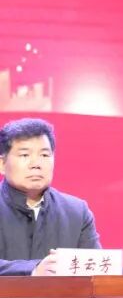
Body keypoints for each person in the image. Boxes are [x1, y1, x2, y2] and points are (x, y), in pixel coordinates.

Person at [0, 118, 100, 275]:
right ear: (2, 164)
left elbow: (96, 270)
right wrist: (33, 270)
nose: (36, 164)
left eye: (44, 155)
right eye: (25, 155)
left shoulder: (76, 212)